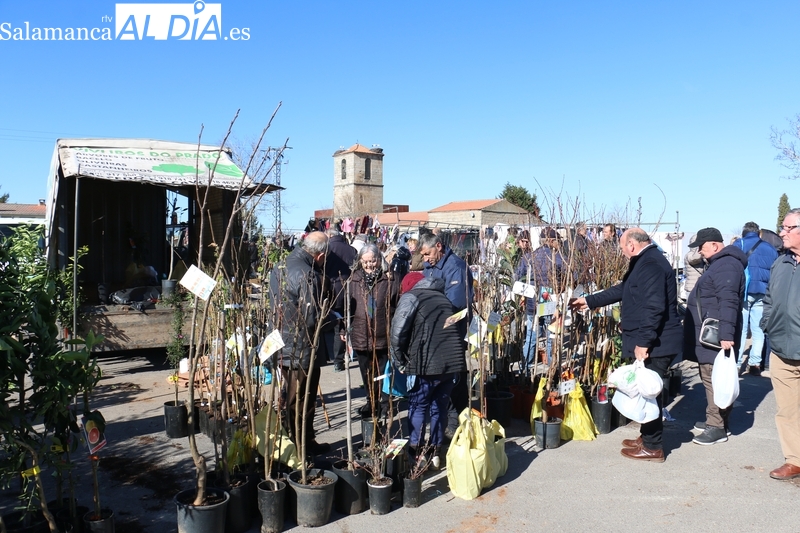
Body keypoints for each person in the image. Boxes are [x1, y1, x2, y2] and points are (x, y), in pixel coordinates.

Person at [571, 228, 682, 462]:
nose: (622, 252)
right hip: (653, 339)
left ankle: (653, 447)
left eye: (622, 247)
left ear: (631, 245)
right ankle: (647, 436)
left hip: (656, 341)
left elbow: (655, 307)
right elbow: (624, 289)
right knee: (646, 390)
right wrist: (590, 301)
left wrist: (644, 342)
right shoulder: (645, 261)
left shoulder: (650, 265)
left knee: (649, 392)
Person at [390, 271, 467, 467]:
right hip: (451, 363)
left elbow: (397, 332)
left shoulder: (411, 297)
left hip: (425, 363)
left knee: (418, 405)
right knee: (439, 407)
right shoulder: (444, 298)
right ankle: (435, 452)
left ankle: (416, 453)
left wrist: (399, 361)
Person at [268, 231, 332, 456]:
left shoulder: (281, 266)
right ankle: (299, 447)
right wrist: (331, 319)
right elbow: (311, 317)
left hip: (282, 342)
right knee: (301, 398)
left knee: (292, 396)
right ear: (319, 255)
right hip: (300, 346)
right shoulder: (307, 274)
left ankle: (302, 442)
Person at [683, 228, 747, 445]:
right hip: (712, 333)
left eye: (701, 247)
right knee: (712, 378)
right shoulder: (721, 264)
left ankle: (716, 426)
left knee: (713, 379)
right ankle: (717, 420)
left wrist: (726, 334)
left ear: (714, 245)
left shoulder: (726, 265)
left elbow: (728, 301)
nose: (699, 252)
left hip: (715, 335)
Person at [760, 208, 800, 480]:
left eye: (787, 228)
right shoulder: (781, 262)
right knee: (787, 410)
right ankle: (794, 459)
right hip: (782, 350)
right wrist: (768, 325)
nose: (782, 232)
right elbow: (769, 298)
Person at [344, 243, 400, 418]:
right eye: (366, 261)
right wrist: (343, 328)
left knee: (383, 372)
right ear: (360, 261)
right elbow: (347, 306)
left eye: (373, 261)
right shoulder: (353, 279)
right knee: (366, 372)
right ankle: (371, 402)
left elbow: (397, 304)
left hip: (383, 332)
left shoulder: (390, 278)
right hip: (360, 333)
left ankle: (384, 403)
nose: (369, 265)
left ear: (379, 259)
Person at [419, 233, 473, 413]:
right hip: (434, 330)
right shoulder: (429, 267)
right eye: (423, 255)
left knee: (455, 374)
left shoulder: (456, 268)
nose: (425, 259)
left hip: (452, 331)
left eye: (428, 254)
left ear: (439, 247)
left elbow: (456, 306)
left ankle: (458, 414)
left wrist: (442, 328)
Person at [732, 222, 778, 376]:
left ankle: (737, 364)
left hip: (744, 291)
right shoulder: (770, 248)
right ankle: (755, 365)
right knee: (758, 330)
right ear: (759, 233)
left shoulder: (739, 244)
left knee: (742, 329)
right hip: (763, 292)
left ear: (743, 233)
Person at [515, 227, 564, 371]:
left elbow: (518, 278)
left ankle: (525, 366)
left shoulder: (529, 257)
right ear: (550, 240)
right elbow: (570, 274)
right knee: (550, 336)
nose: (558, 243)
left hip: (532, 302)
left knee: (531, 335)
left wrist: (524, 295)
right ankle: (551, 367)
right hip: (548, 300)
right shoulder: (556, 257)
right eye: (556, 240)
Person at [324, 227, 357, 372]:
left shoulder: (326, 249)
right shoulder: (351, 250)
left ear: (329, 235)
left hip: (330, 290)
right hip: (348, 290)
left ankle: (332, 359)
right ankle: (343, 358)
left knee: (332, 325)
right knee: (344, 325)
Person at [682, 234, 704, 301]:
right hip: (692, 288)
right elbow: (694, 259)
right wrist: (700, 248)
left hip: (700, 287)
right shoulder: (689, 255)